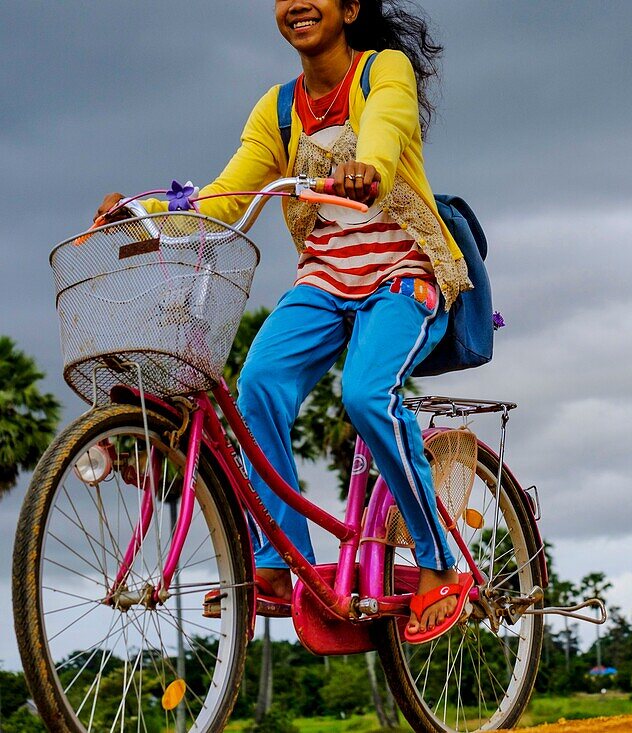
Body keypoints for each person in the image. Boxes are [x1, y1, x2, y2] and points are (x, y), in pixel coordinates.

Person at [97, 0, 474, 644]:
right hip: (324, 281)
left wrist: (371, 169)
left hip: (403, 276)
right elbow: (226, 193)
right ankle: (276, 562)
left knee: (365, 395)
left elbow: (382, 130)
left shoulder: (383, 73)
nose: (295, 3)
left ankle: (440, 562)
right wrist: (146, 208)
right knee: (257, 387)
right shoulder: (277, 109)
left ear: (349, 8)